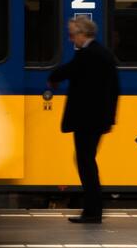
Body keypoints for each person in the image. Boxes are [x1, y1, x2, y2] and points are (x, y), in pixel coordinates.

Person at [47, 16, 119, 224]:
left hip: (88, 120)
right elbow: (114, 89)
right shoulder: (100, 53)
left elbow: (69, 70)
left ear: (82, 33)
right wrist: (110, 119)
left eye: (72, 34)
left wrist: (53, 78)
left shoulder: (89, 54)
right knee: (86, 161)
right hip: (94, 120)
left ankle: (93, 212)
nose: (71, 39)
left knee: (86, 162)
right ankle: (92, 210)